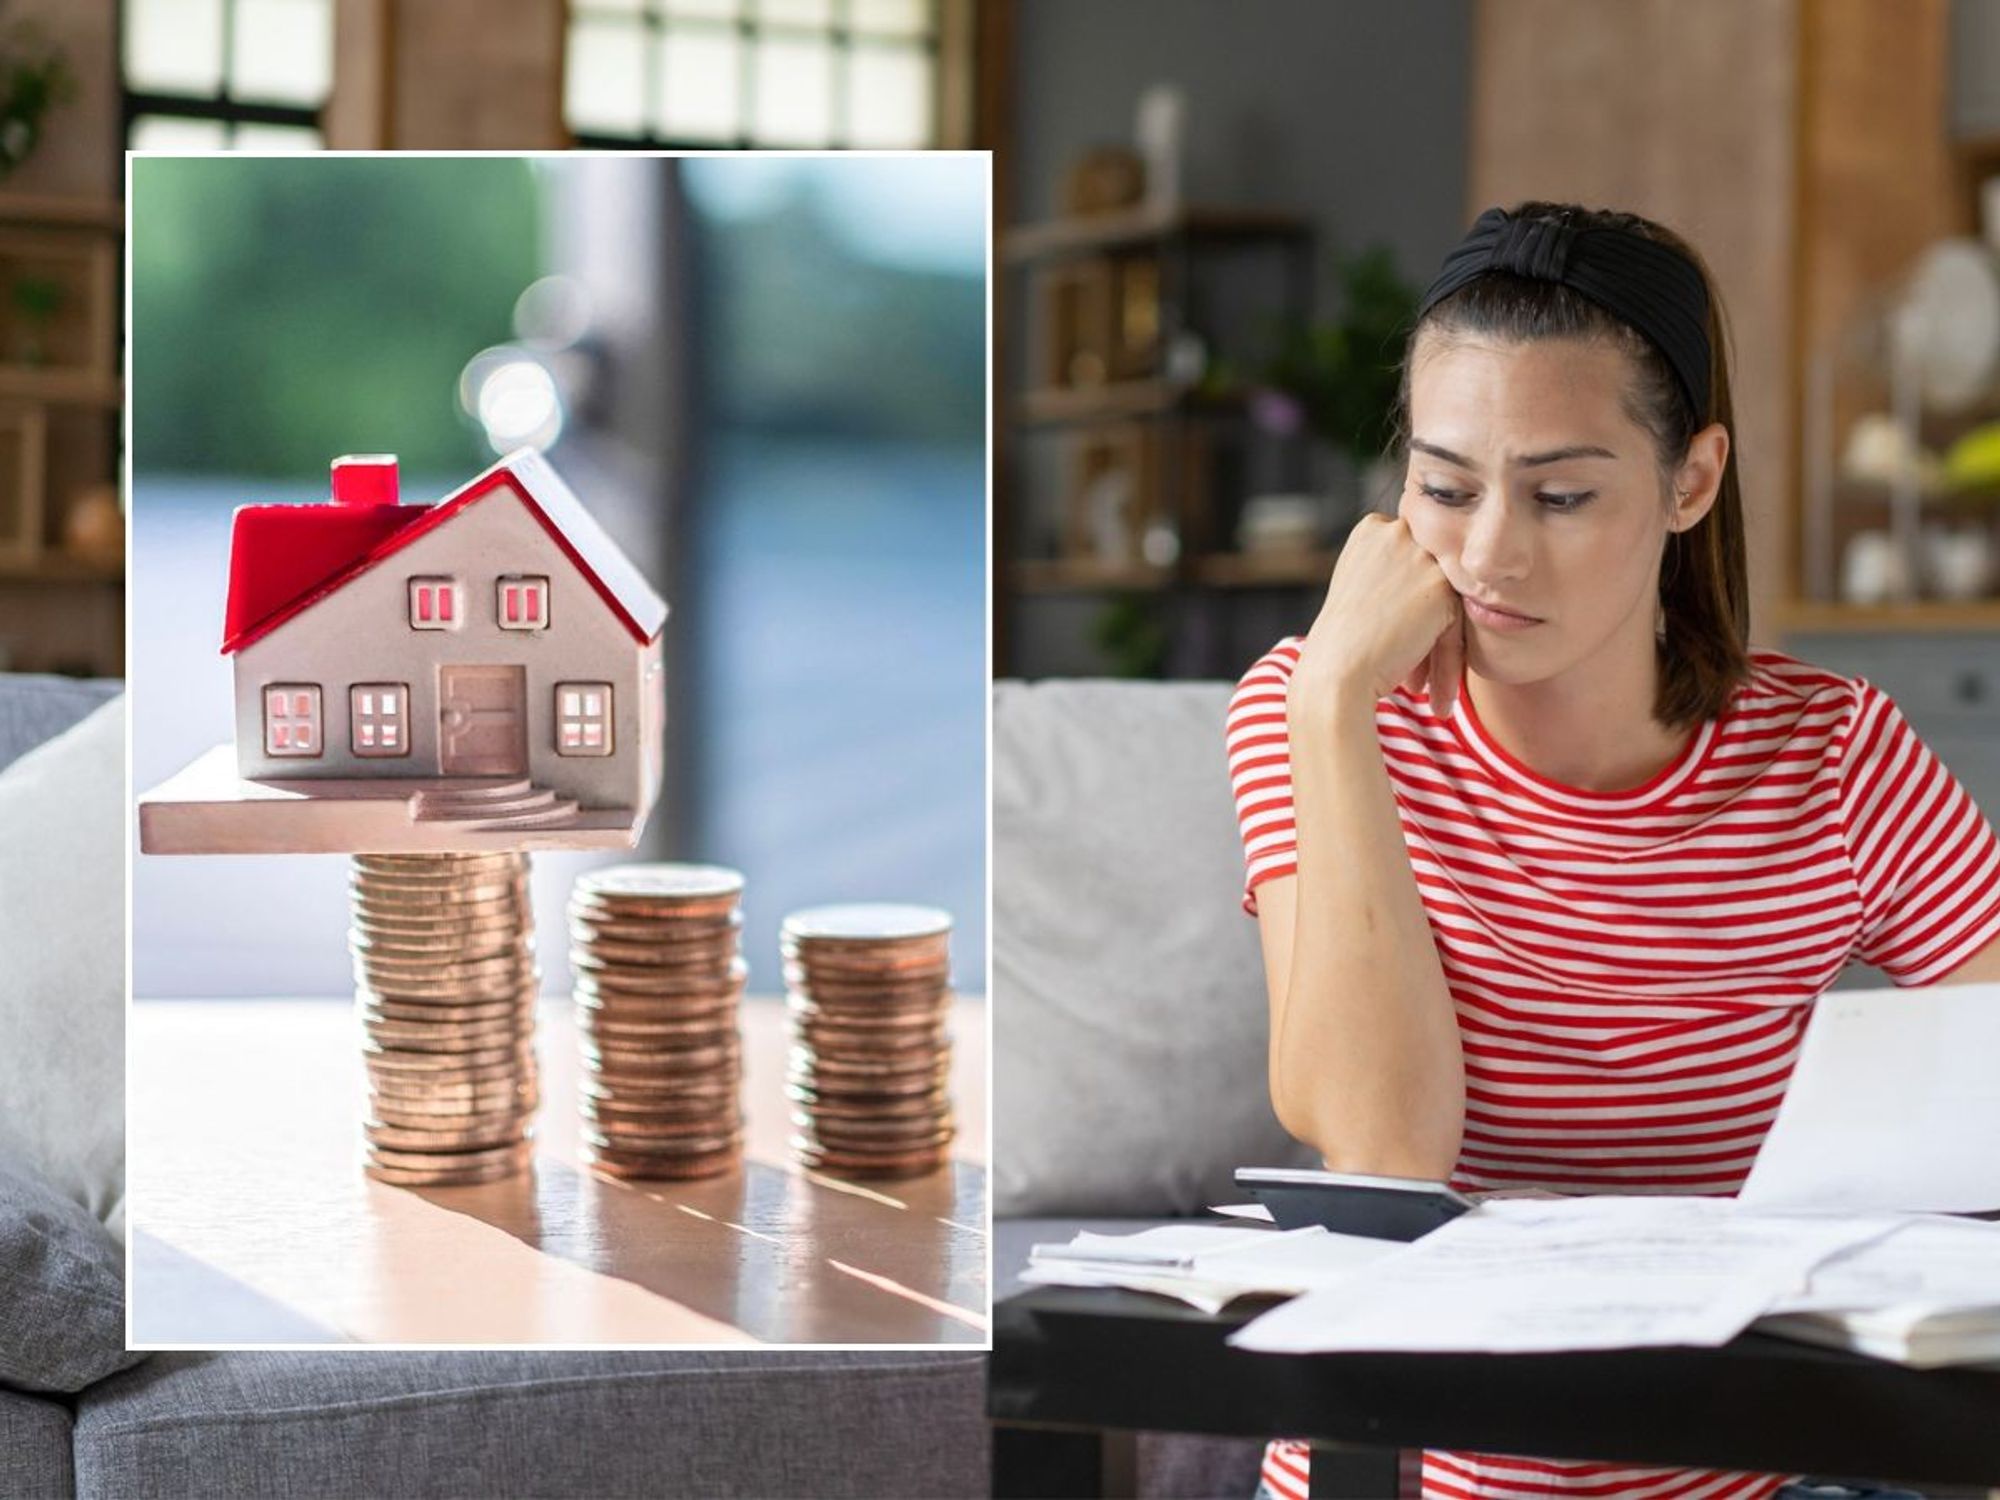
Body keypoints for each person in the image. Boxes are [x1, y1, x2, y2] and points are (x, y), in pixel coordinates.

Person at [1226, 202, 2000, 1500]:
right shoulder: (1317, 712)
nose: (1486, 555)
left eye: (1563, 493)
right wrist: (1333, 706)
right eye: (1444, 485)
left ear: (1690, 481)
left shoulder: (1832, 752)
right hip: (1400, 1477)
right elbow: (1379, 1146)